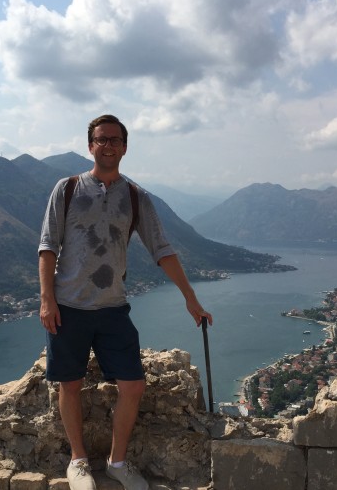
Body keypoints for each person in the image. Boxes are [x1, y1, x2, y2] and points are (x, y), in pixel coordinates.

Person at [38, 114, 213, 490]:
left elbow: (162, 249)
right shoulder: (67, 189)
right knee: (69, 385)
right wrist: (47, 300)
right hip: (68, 307)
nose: (108, 146)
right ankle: (78, 462)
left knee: (133, 385)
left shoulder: (135, 197)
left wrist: (190, 298)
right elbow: (47, 246)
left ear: (125, 147)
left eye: (115, 140)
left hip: (113, 308)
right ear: (91, 146)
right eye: (101, 140)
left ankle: (117, 462)